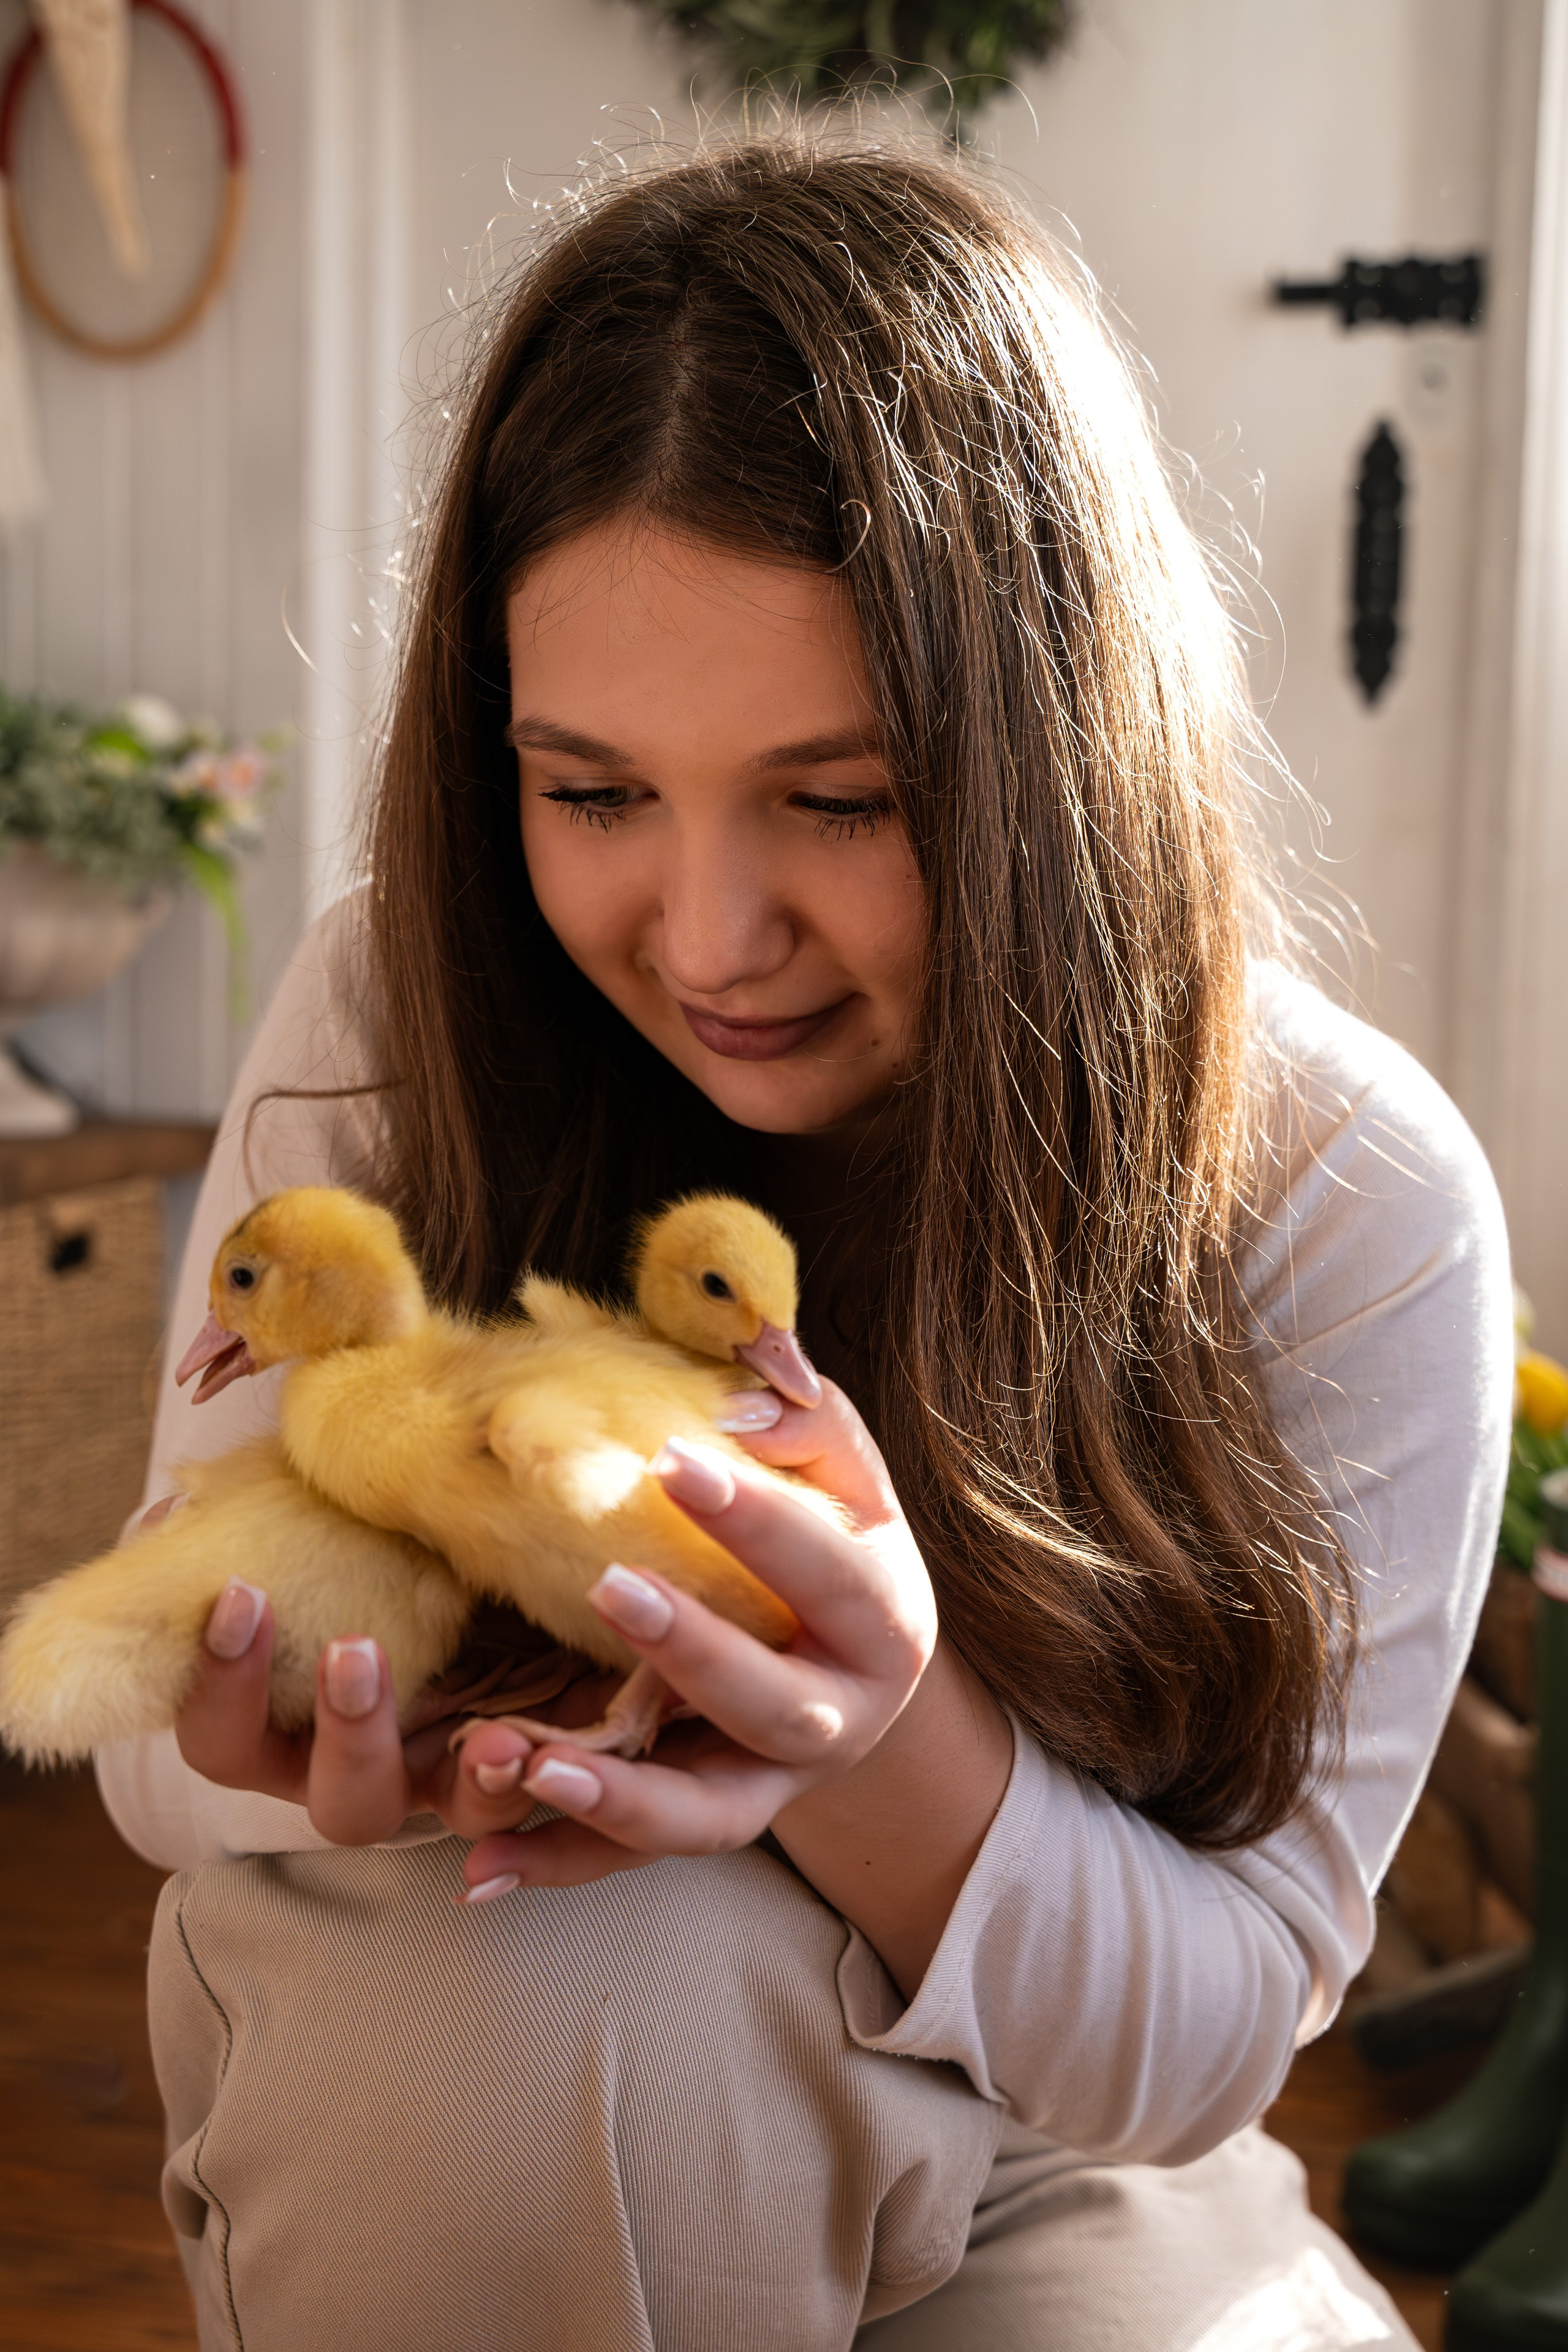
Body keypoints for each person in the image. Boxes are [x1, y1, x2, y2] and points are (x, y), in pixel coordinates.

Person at [96, 135, 1513, 2352]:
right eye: (592, 791)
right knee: (541, 2018)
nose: (711, 939)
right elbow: (138, 1725)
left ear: (1056, 765)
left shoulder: (1346, 1186)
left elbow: (1211, 2042)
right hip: (484, 2011)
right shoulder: (412, 1001)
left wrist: (872, 1740)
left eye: (840, 801)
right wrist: (315, 1746)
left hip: (1055, 2139)